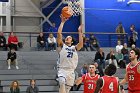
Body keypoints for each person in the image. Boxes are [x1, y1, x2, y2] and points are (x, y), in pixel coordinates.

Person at [57, 15, 83, 93]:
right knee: (61, 82)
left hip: (71, 71)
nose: (67, 38)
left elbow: (81, 44)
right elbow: (59, 33)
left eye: (69, 37)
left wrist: (80, 32)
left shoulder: (74, 48)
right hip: (62, 69)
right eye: (67, 37)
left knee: (67, 90)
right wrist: (62, 22)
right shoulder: (62, 46)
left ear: (71, 41)